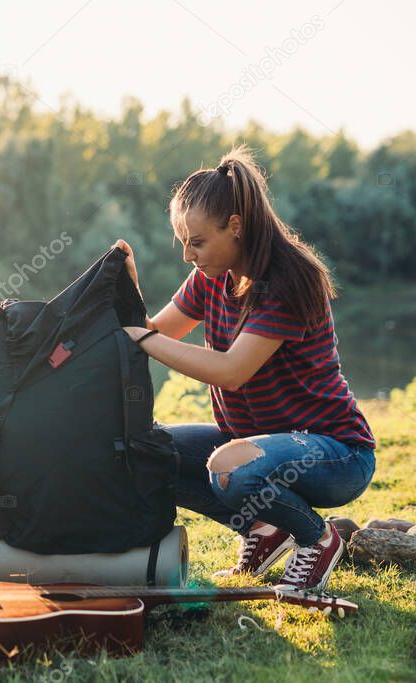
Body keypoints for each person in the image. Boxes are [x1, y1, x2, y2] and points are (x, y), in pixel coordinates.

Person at [117, 145, 375, 592]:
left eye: (196, 242)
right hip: (252, 446)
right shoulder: (210, 275)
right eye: (183, 243)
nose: (187, 255)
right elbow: (156, 331)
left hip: (336, 453)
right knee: (146, 451)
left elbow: (232, 371)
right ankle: (263, 530)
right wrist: (129, 286)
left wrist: (146, 338)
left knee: (232, 467)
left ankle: (317, 539)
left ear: (235, 227)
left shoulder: (289, 279)